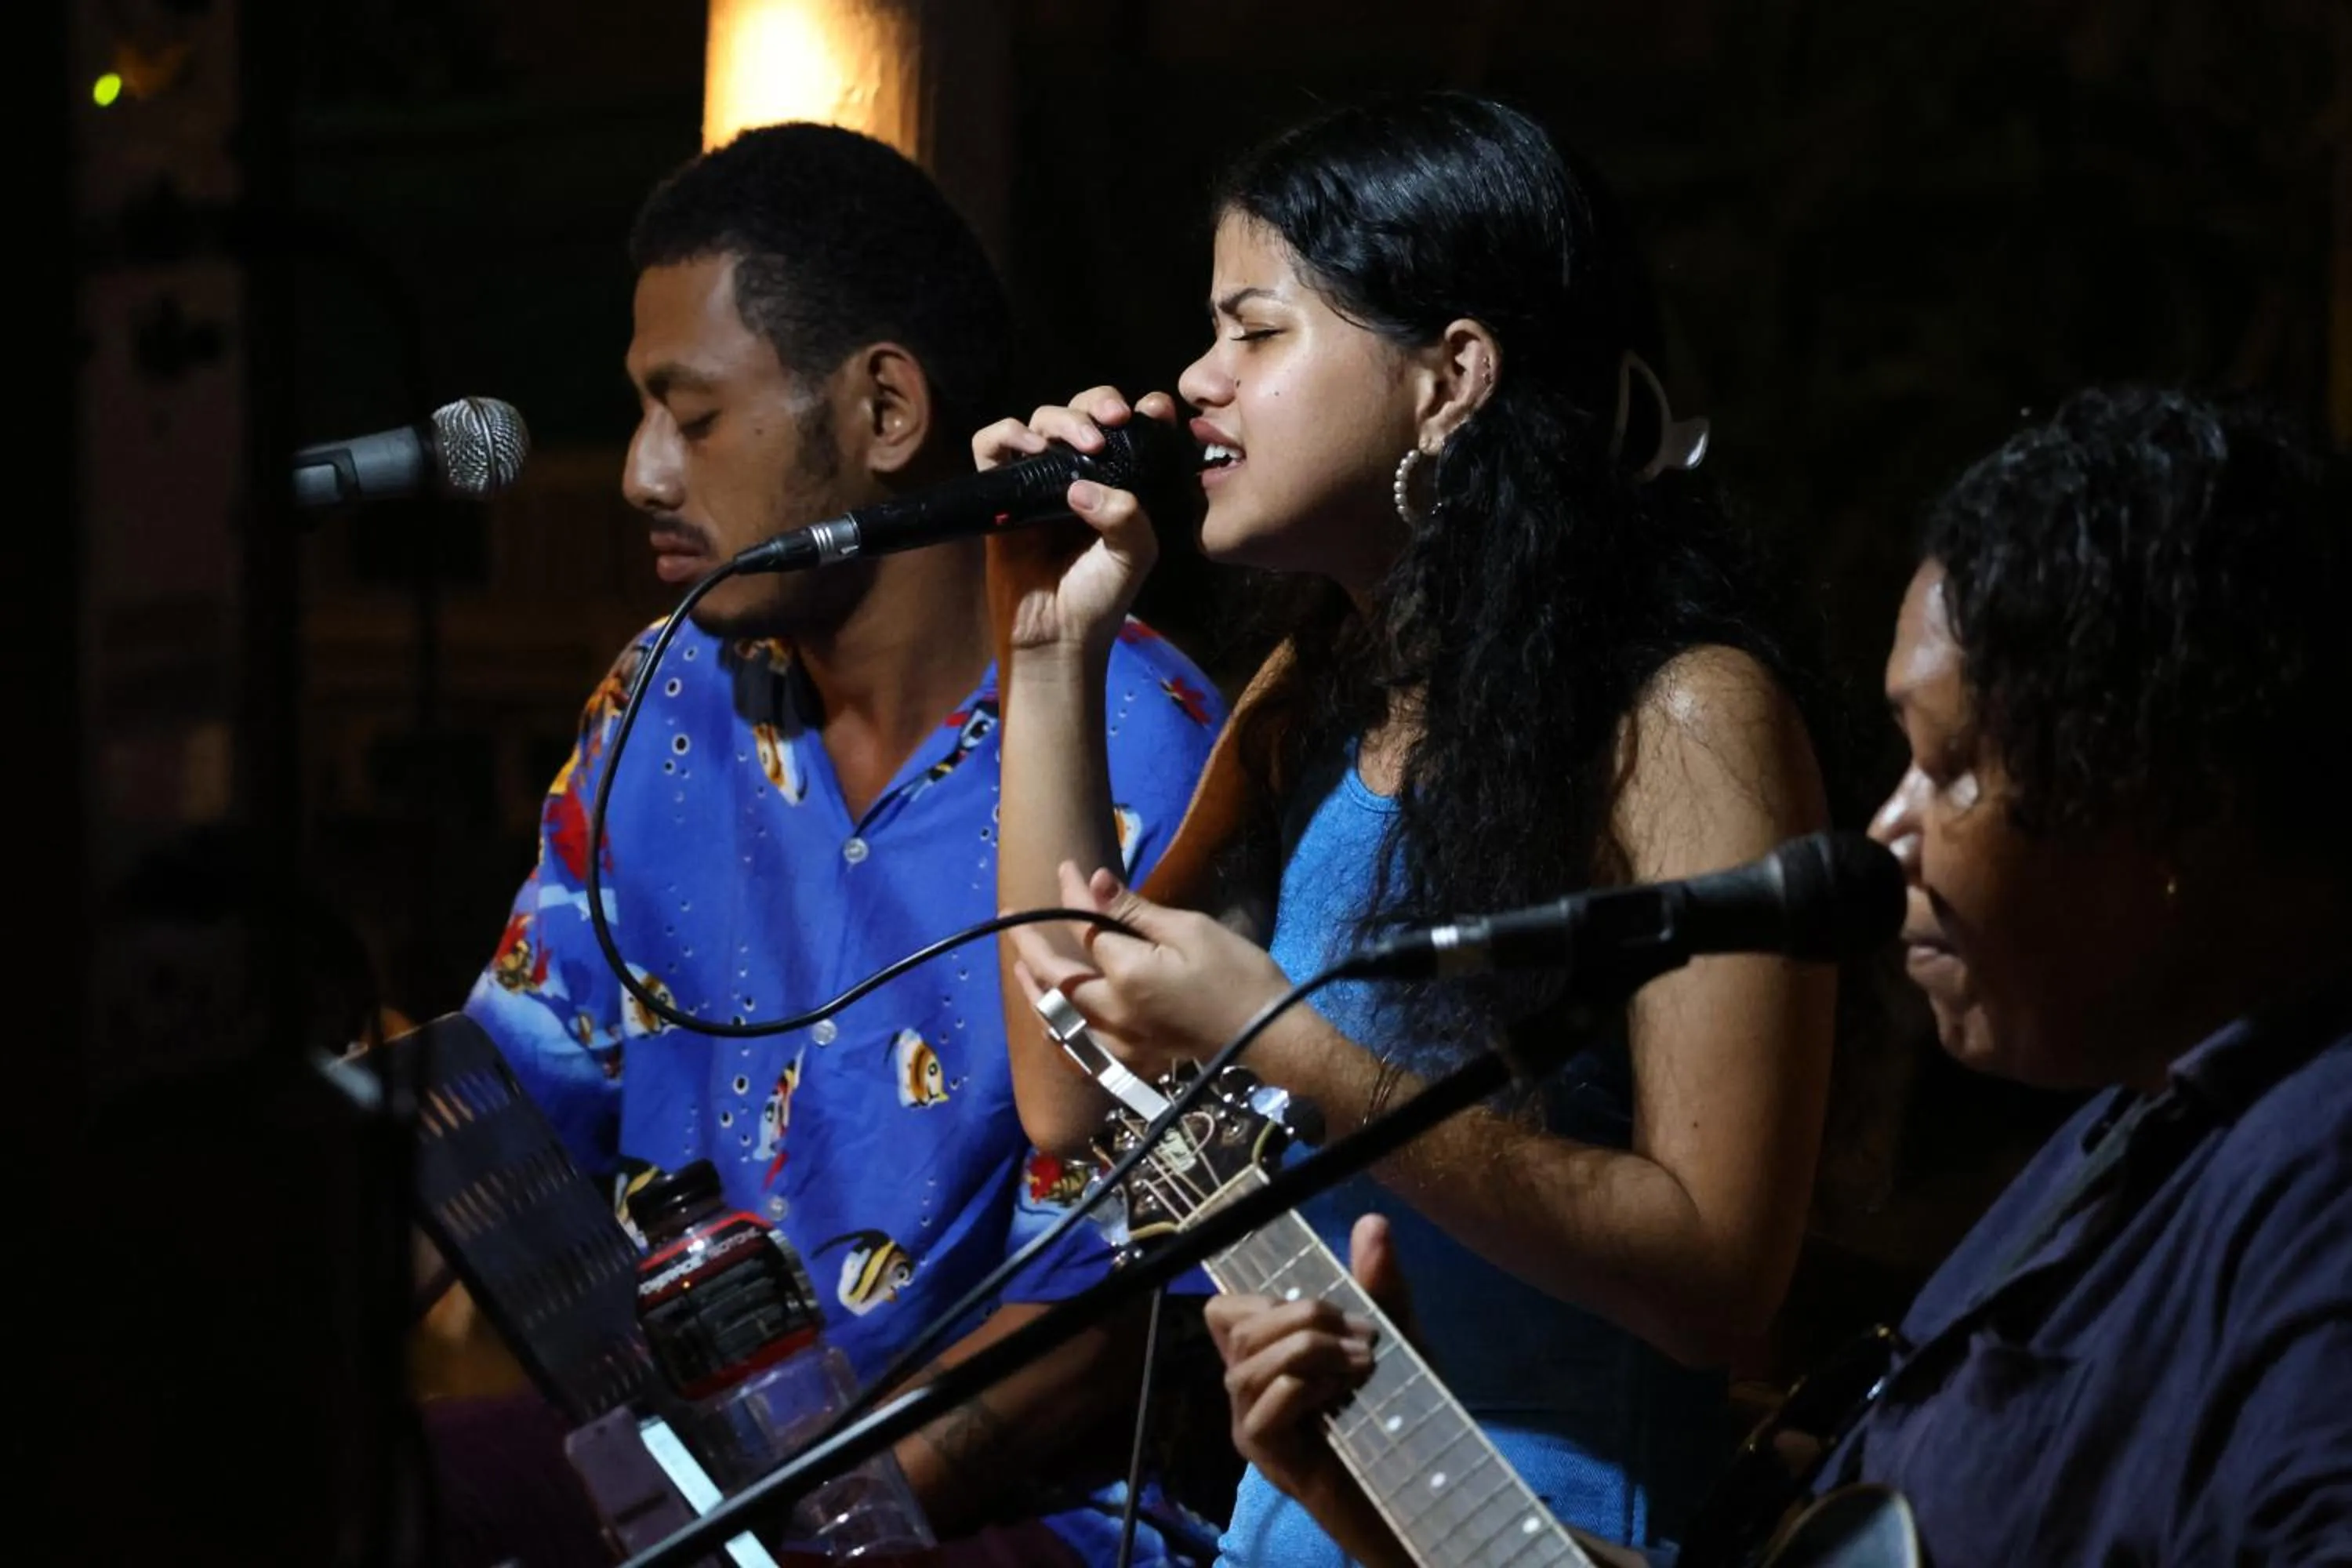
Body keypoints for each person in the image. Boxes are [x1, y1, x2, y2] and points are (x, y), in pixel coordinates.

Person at [1214, 387, 2352, 1566]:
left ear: (2177, 800)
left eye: (1954, 767)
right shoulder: (2123, 1147)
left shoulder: (2316, 1183)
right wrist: (1379, 1497)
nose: (1891, 834)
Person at [975, 93, 1836, 1562]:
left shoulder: (1682, 718)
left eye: (1255, 332)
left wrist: (1296, 1053)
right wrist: (1053, 655)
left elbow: (1719, 1278)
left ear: (1452, 379)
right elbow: (1075, 1100)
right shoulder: (1315, 692)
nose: (1194, 383)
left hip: (1539, 1535)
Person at [463, 122, 1224, 1566]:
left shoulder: (1139, 738)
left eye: (692, 418)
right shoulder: (660, 699)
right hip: (694, 1463)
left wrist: (815, 1532)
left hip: (1025, 1515)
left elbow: (1123, 1308)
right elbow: (509, 1102)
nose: (640, 474)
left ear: (885, 410)